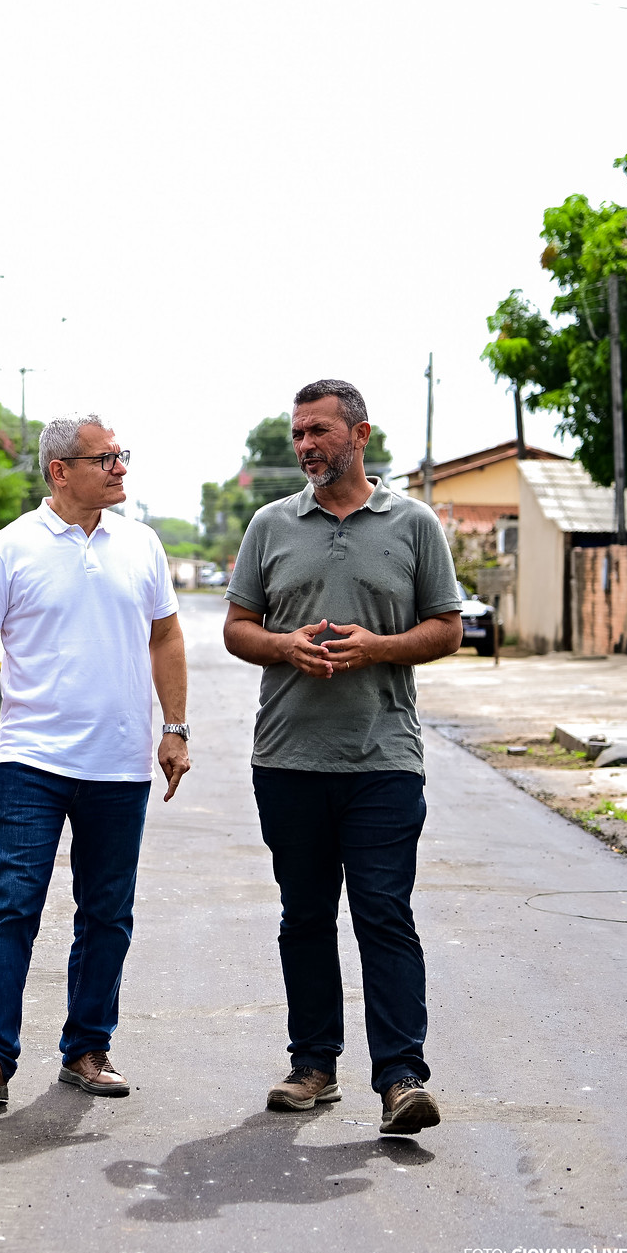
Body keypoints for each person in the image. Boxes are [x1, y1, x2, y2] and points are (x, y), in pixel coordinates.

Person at [222, 379, 463, 1135]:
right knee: (304, 916)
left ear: (361, 435)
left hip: (384, 757)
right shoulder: (270, 525)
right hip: (288, 757)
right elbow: (237, 627)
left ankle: (400, 1079)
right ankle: (313, 1065)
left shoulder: (414, 523)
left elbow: (448, 628)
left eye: (318, 430)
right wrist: (284, 645)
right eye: (298, 433)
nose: (305, 445)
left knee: (384, 914)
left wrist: (379, 648)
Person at [0, 414, 189, 1104]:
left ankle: (86, 1048)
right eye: (106, 457)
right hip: (31, 762)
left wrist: (176, 728)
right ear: (60, 471)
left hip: (118, 766)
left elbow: (166, 638)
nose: (120, 467)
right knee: (12, 905)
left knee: (107, 913)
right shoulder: (11, 547)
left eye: (121, 455)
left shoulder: (142, 545)